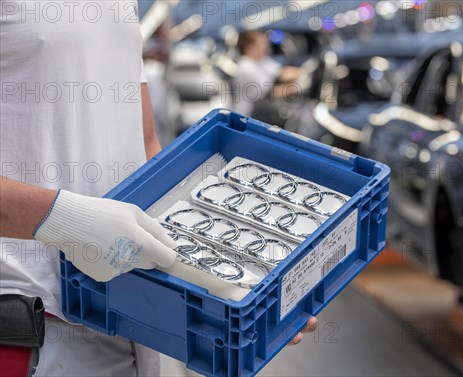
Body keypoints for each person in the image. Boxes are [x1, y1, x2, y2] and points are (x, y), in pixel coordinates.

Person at [0, 2, 316, 376]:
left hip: (130, 317)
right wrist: (64, 219)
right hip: (31, 326)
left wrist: (221, 269)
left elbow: (143, 140)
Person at [232, 30, 303, 117]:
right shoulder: (245, 68)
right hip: (249, 116)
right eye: (262, 44)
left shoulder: (262, 60)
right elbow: (271, 93)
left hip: (264, 110)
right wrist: (299, 87)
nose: (266, 47)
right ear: (249, 47)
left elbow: (282, 72)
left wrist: (307, 72)